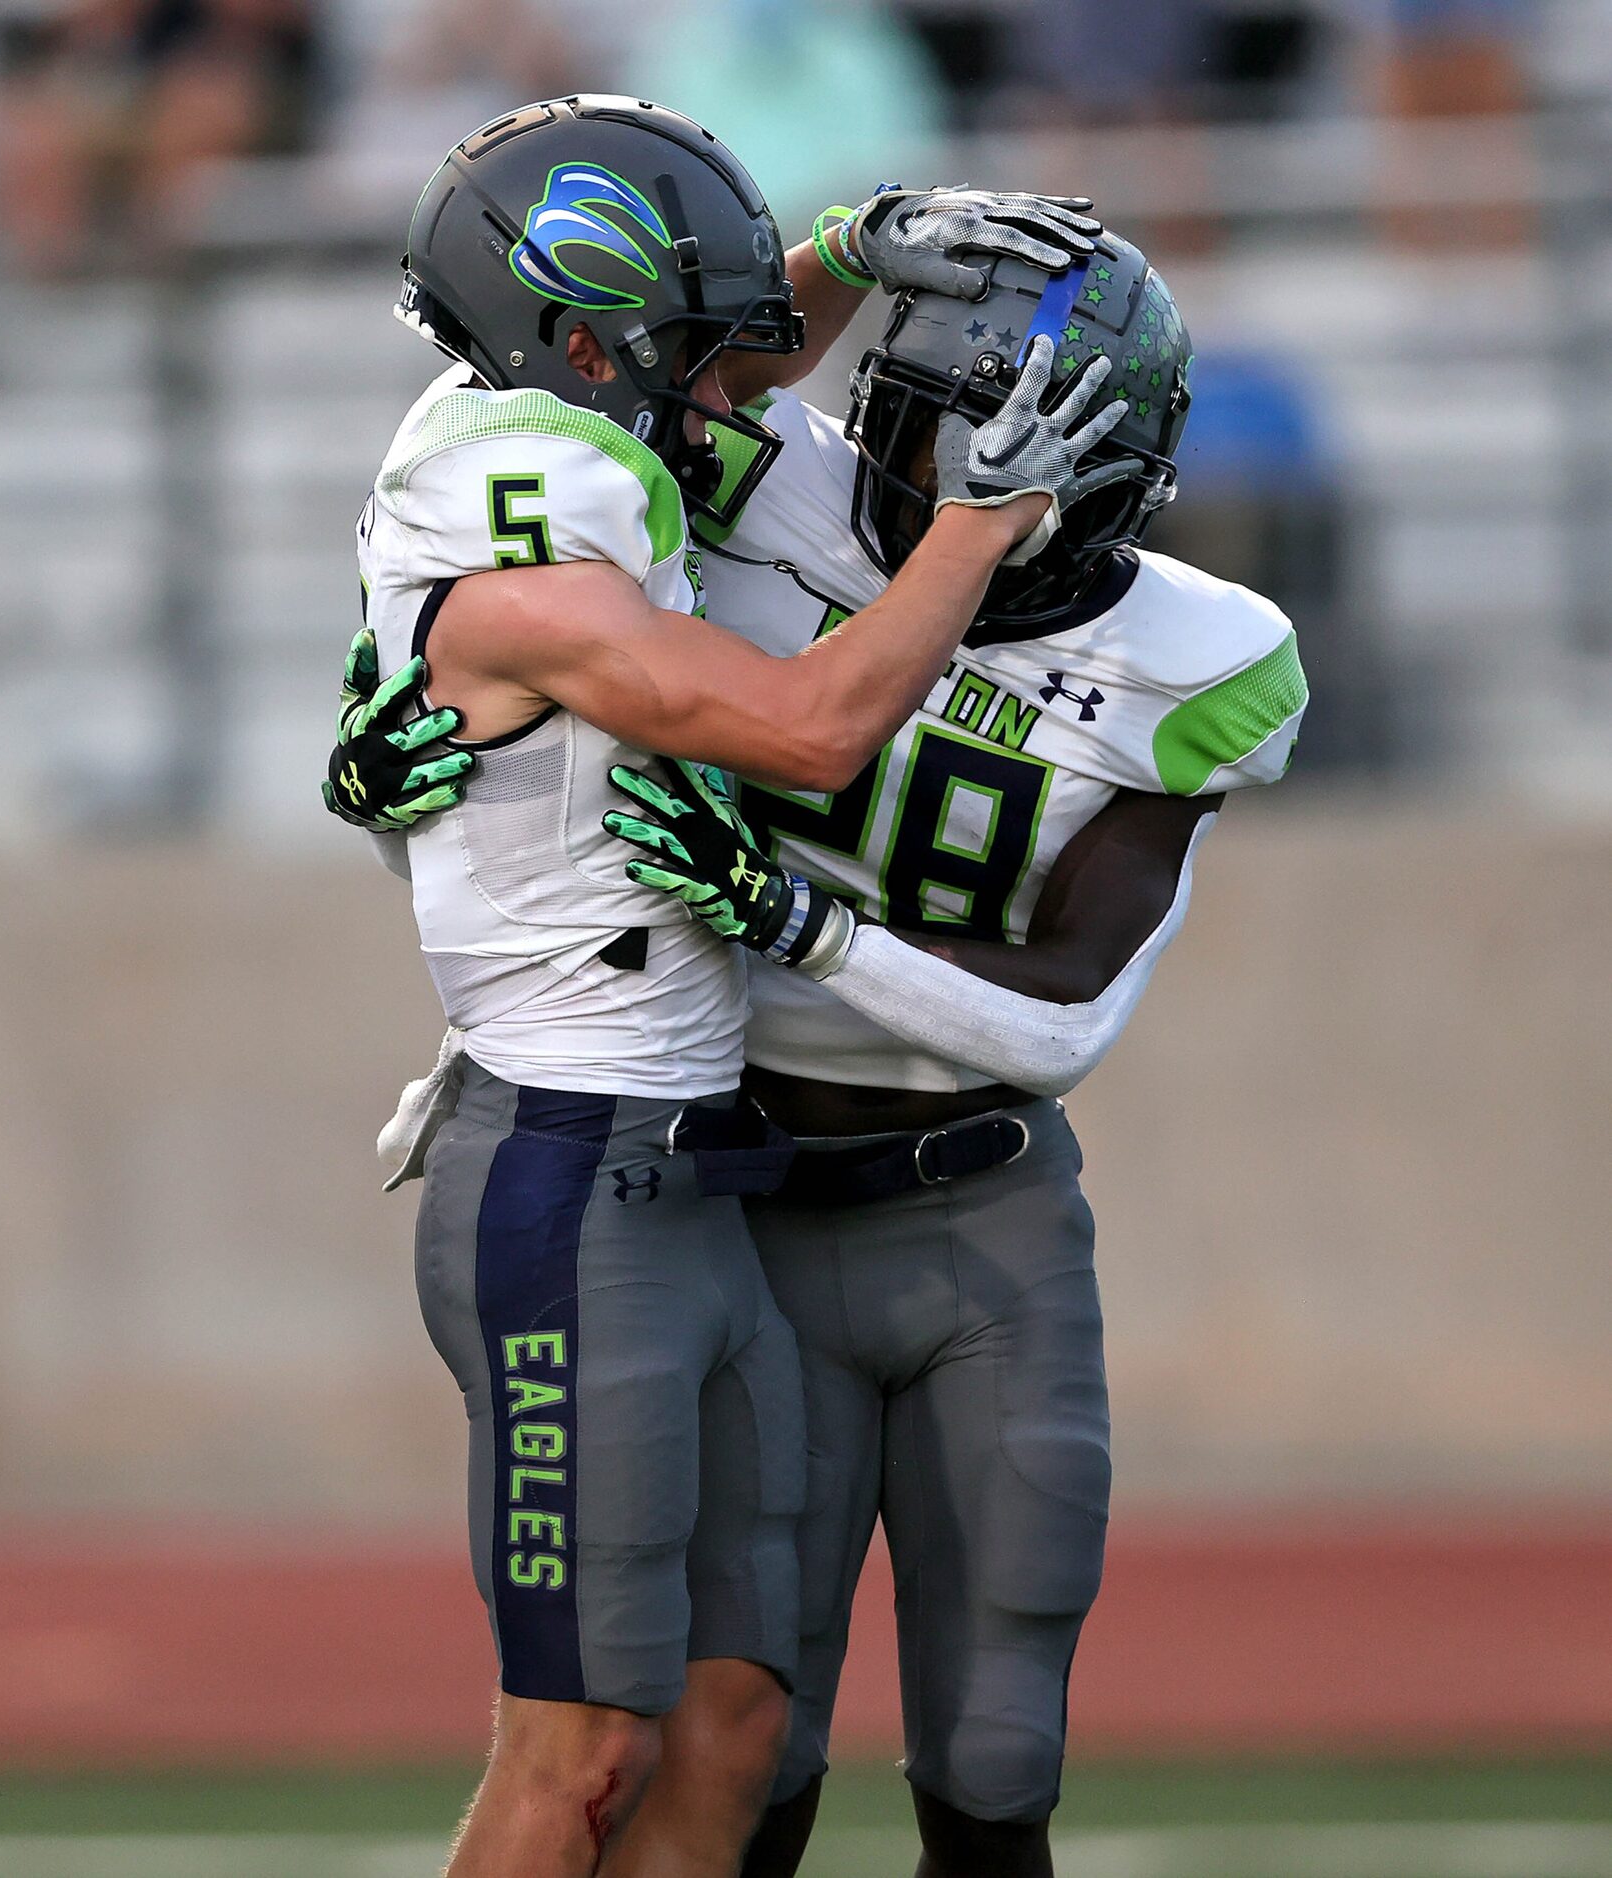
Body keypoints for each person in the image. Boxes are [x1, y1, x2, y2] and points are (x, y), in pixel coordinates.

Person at [332, 208, 1308, 1876]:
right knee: (739, 1738)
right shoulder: (756, 483)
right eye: (915, 417)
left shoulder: (1202, 661)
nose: (936, 472)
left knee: (988, 1745)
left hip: (971, 1192)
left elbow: (1066, 1006)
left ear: (1110, 468)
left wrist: (802, 925)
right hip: (728, 1175)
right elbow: (601, 412)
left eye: (995, 447)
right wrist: (386, 697)